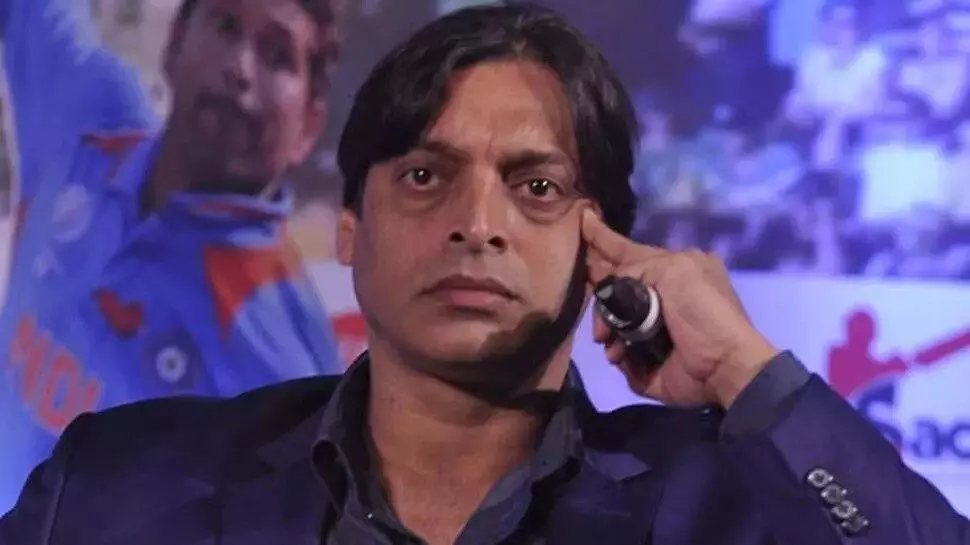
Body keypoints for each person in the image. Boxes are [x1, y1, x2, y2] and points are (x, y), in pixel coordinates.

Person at [3, 4, 969, 544]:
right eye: (425, 176)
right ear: (350, 228)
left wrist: (747, 372)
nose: (476, 224)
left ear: (605, 245)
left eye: (536, 186)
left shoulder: (731, 505)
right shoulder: (113, 487)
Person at [0, 0, 343, 512]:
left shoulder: (289, 368)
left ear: (310, 124)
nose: (240, 67)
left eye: (277, 56)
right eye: (225, 25)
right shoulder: (87, 120)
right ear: (177, 40)